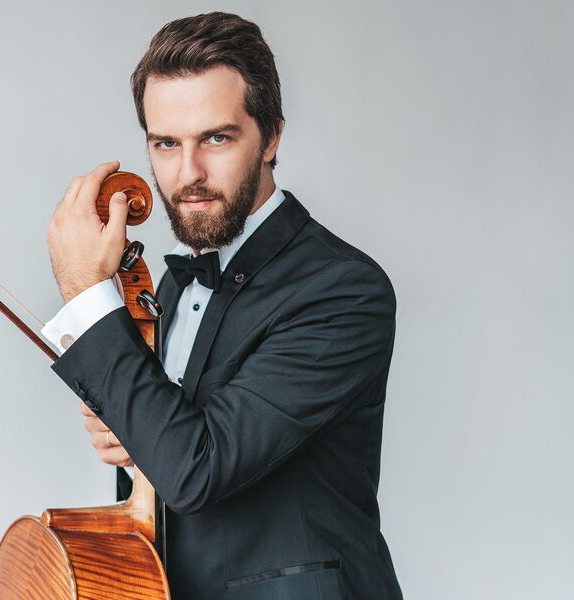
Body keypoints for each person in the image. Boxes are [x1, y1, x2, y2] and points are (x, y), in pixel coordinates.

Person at [42, 12, 403, 600]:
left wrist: (86, 290)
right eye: (166, 143)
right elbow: (173, 453)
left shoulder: (341, 290)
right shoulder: (172, 285)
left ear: (271, 137)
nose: (188, 174)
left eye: (216, 138)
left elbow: (197, 469)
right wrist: (135, 440)